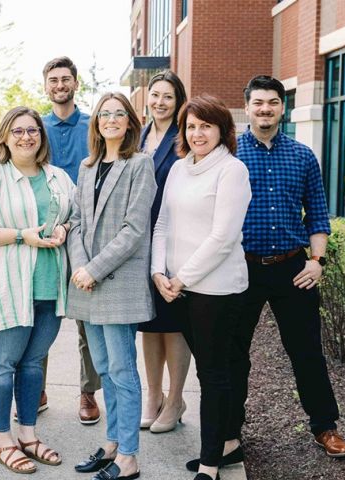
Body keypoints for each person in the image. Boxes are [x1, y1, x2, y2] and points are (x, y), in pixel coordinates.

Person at [220, 75, 345, 467]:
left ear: (283, 107)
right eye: (258, 102)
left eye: (273, 102)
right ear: (246, 107)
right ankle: (229, 430)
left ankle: (324, 426)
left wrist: (318, 261)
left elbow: (318, 213)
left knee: (306, 351)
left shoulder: (302, 155)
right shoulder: (227, 154)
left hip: (294, 268)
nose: (265, 109)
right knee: (233, 355)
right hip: (240, 269)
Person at [0, 106, 74, 474]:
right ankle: (2, 440)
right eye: (18, 131)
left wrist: (65, 230)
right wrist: (24, 236)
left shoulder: (58, 178)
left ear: (41, 136)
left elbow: (73, 216)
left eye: (33, 130)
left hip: (48, 287)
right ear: (5, 137)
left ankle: (28, 433)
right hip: (5, 287)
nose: (26, 137)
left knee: (33, 364)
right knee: (2, 365)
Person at [151, 95, 251, 480]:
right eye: (191, 126)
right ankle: (226, 444)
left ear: (222, 130)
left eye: (205, 126)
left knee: (212, 376)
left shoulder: (232, 170)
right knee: (213, 372)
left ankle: (210, 463)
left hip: (216, 291)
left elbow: (223, 238)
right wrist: (159, 272)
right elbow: (162, 224)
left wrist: (180, 278)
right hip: (178, 289)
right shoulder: (178, 169)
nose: (197, 133)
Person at [68, 93, 156, 480]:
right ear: (97, 122)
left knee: (122, 369)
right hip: (88, 283)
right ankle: (112, 444)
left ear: (130, 122)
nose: (111, 119)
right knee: (104, 368)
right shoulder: (87, 167)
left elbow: (135, 229)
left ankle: (130, 457)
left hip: (116, 282)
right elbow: (75, 222)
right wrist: (80, 267)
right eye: (105, 114)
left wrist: (95, 269)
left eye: (119, 113)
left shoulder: (140, 164)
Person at [41, 56, 102, 424]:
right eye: (53, 79)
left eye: (65, 79)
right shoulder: (36, 126)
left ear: (75, 83)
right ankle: (38, 387)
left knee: (86, 319)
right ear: (46, 85)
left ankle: (87, 392)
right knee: (43, 316)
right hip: (44, 235)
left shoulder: (93, 125)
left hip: (85, 234)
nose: (60, 85)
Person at [136, 70, 193, 434]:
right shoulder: (140, 134)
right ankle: (153, 396)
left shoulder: (184, 138)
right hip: (140, 242)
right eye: (155, 95)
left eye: (168, 96)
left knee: (173, 325)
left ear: (178, 101)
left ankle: (176, 399)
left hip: (173, 241)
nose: (160, 102)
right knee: (149, 325)